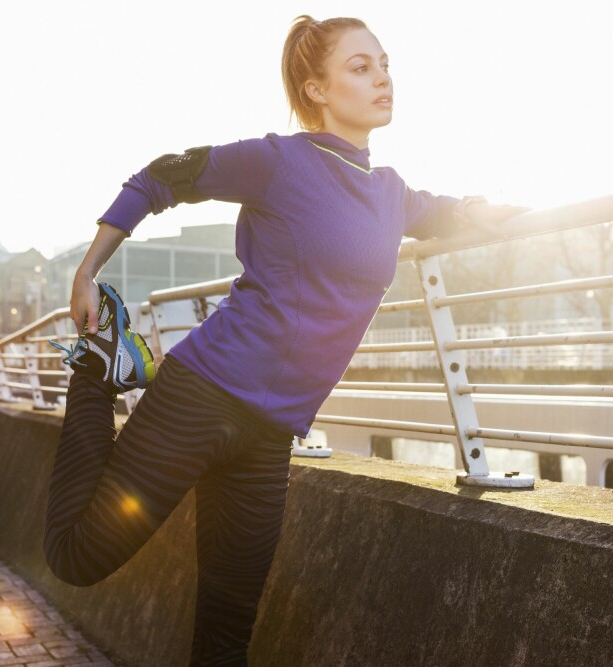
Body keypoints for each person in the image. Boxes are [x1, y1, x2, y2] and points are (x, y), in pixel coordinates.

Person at [43, 15, 527, 666]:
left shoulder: (389, 194)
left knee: (226, 633)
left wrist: (479, 211)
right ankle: (100, 369)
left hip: (271, 434)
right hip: (202, 393)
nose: (382, 76)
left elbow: (438, 209)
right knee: (77, 555)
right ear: (317, 89)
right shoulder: (277, 161)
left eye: (385, 63)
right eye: (360, 66)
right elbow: (162, 176)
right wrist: (87, 270)